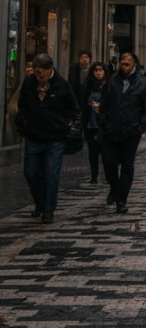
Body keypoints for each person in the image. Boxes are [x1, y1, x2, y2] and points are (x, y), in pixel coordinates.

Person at [16, 54, 79, 223]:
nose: (39, 76)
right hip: (34, 136)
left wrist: (61, 123)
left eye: (42, 72)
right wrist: (23, 123)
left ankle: (48, 210)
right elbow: (22, 106)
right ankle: (40, 203)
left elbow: (73, 109)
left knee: (52, 174)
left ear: (50, 69)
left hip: (55, 138)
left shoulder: (62, 85)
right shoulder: (29, 83)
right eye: (36, 73)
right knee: (30, 172)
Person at [99, 52, 146, 213]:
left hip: (131, 131)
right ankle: (114, 188)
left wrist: (139, 128)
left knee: (127, 164)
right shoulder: (112, 81)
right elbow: (104, 104)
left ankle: (121, 199)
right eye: (121, 63)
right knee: (109, 163)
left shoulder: (142, 83)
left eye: (127, 64)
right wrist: (103, 122)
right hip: (110, 130)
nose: (123, 66)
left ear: (134, 64)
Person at [81, 61, 110, 184]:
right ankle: (94, 176)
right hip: (91, 123)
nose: (98, 73)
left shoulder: (109, 86)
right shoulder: (88, 86)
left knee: (106, 153)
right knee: (92, 152)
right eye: (96, 70)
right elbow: (83, 103)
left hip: (105, 125)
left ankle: (108, 175)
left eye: (100, 70)